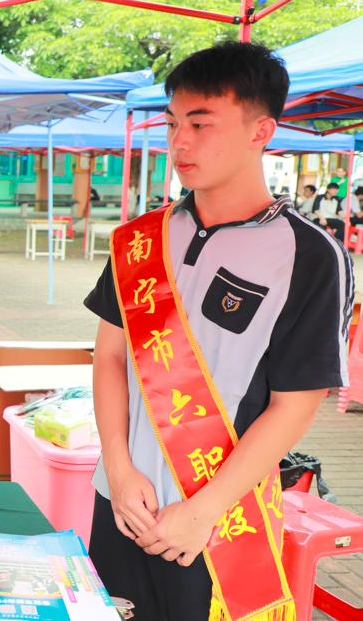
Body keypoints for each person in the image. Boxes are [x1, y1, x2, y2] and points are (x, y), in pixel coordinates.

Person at [84, 41, 351, 619]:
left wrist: (203, 509)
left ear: (261, 131)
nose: (180, 141)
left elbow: (295, 405)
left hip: (220, 525)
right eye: (174, 122)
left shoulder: (309, 256)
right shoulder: (138, 239)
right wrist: (119, 469)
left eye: (201, 124)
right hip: (122, 504)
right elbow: (109, 358)